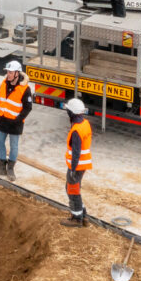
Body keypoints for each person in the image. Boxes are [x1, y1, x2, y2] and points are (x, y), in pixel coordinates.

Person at [0, 59, 32, 181]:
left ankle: (10, 169)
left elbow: (28, 108)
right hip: (2, 121)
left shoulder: (25, 89)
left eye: (11, 72)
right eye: (8, 72)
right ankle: (1, 167)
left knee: (14, 146)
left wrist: (17, 120)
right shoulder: (3, 83)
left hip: (15, 124)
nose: (8, 74)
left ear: (17, 74)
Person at [62, 97, 92, 227]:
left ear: (71, 113)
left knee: (72, 190)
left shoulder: (76, 130)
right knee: (74, 189)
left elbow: (76, 152)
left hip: (77, 166)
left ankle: (77, 218)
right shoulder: (84, 123)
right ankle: (83, 215)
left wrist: (73, 169)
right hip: (82, 165)